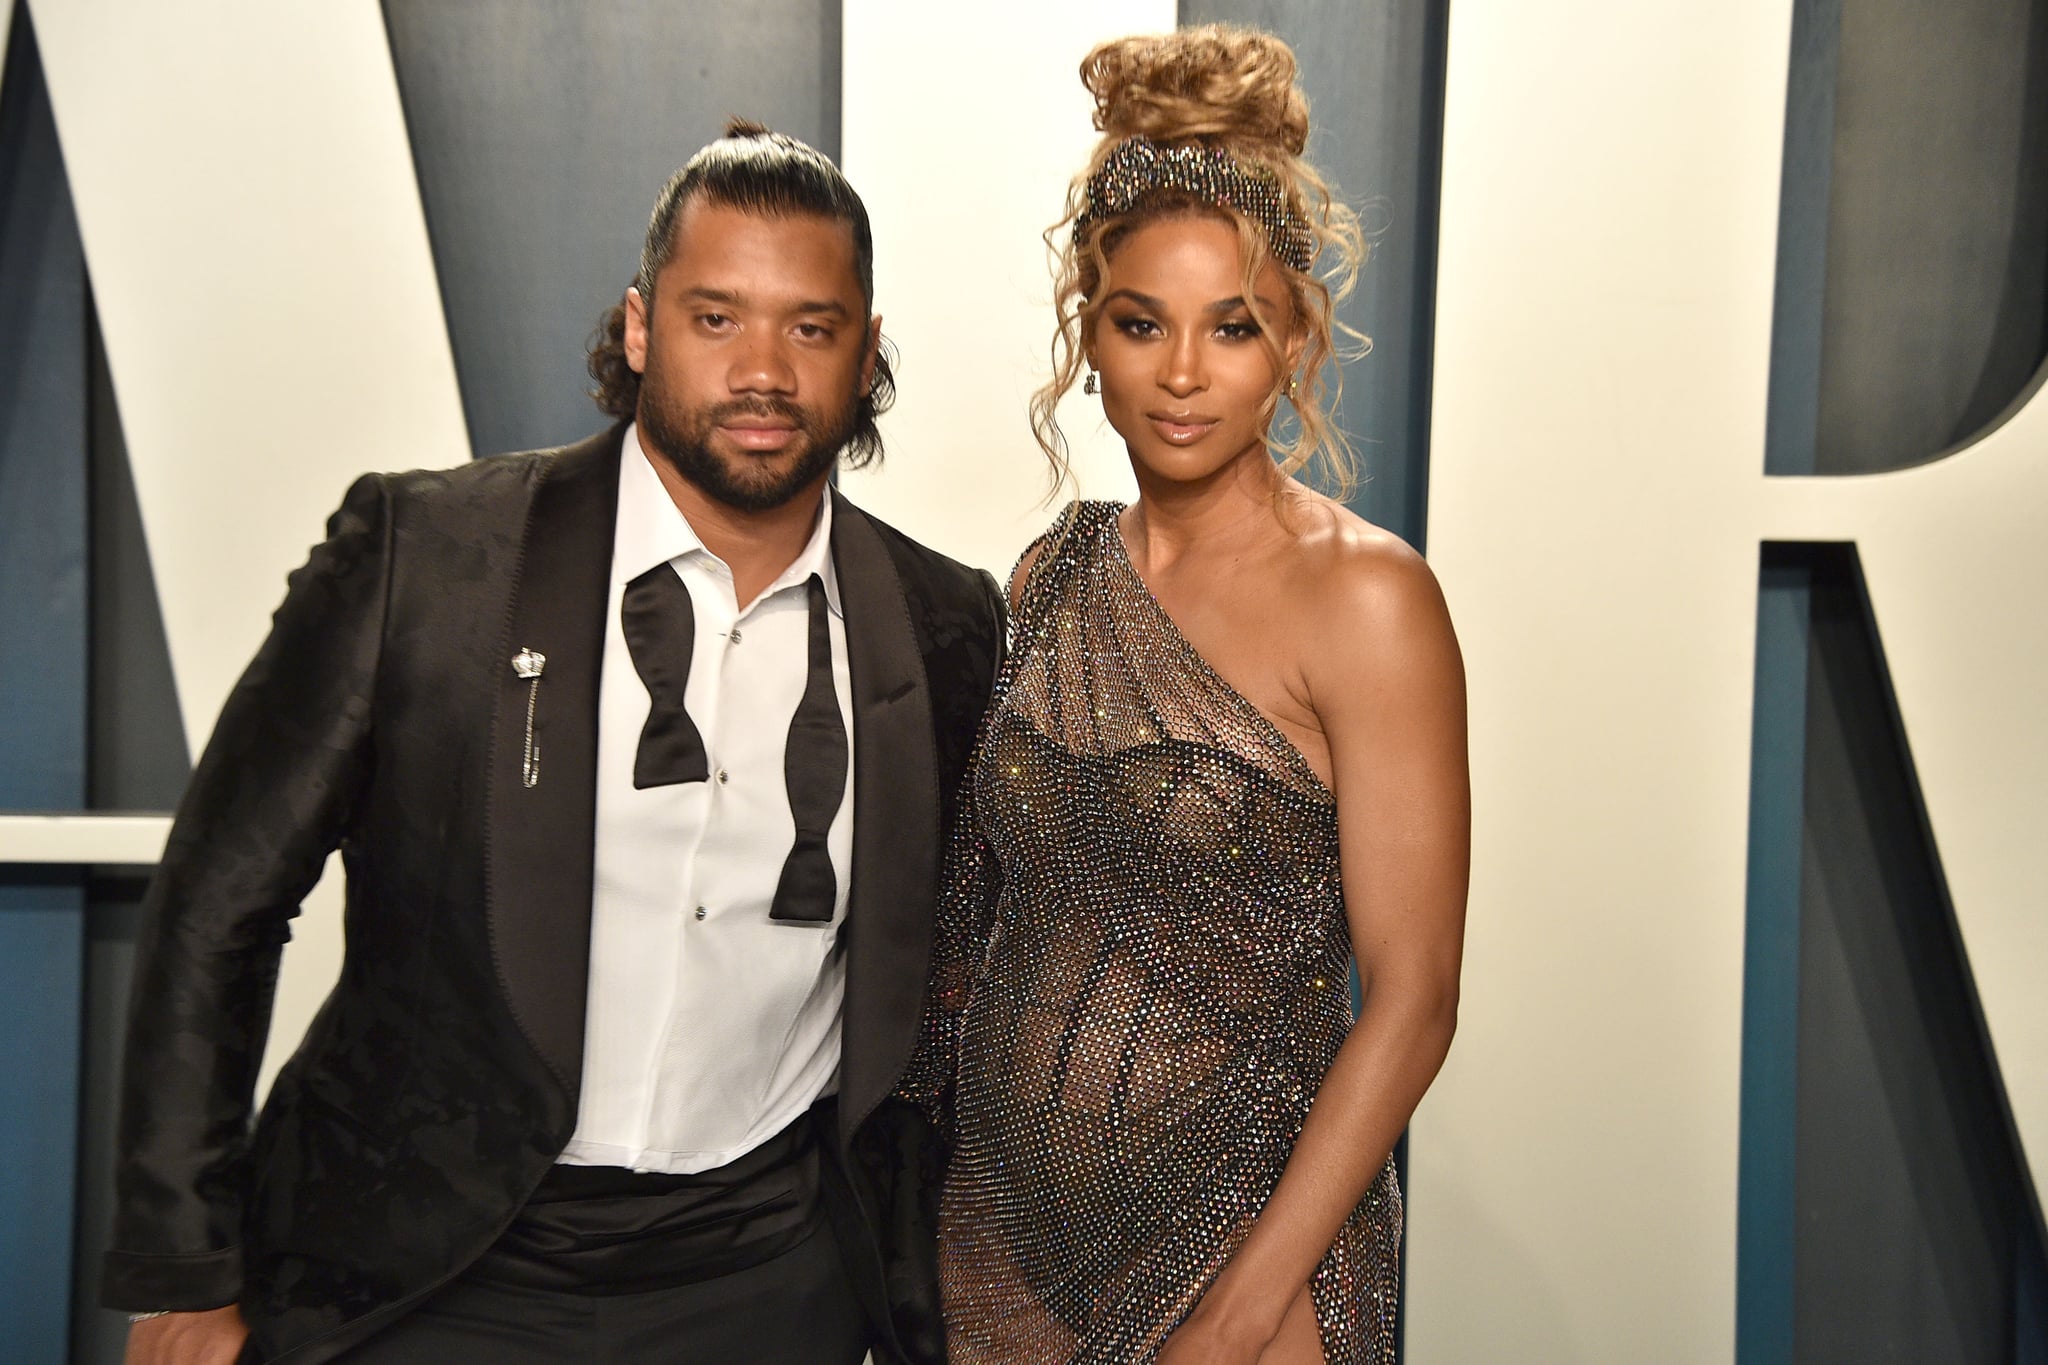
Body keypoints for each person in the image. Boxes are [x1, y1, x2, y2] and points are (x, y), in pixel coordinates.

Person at [104, 120, 1003, 1365]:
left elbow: (948, 976)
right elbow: (219, 906)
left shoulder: (946, 621)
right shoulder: (430, 554)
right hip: (431, 1265)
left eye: (810, 326)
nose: (763, 371)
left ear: (866, 352)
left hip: (763, 1278)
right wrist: (187, 1270)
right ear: (639, 329)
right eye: (714, 317)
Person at [901, 27, 1469, 1365]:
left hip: (1244, 1256)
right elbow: (982, 926)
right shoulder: (1053, 573)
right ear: (1086, 331)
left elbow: (1415, 997)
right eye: (1141, 322)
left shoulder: (1368, 601)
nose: (1180, 374)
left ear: (1294, 341)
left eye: (1235, 329)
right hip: (998, 1249)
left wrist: (1239, 1314)